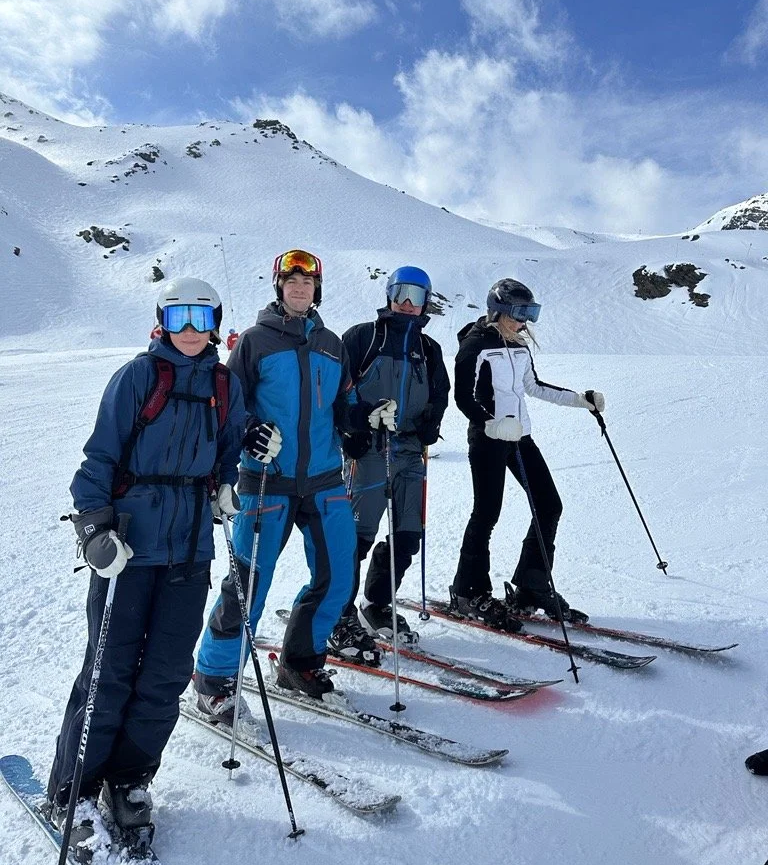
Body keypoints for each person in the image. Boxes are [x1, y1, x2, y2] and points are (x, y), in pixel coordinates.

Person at [47, 278, 245, 863]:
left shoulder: (223, 385)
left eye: (202, 317)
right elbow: (98, 460)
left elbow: (228, 452)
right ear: (162, 320)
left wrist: (226, 485)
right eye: (180, 316)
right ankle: (74, 790)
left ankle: (130, 779)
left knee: (164, 675)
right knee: (108, 671)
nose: (191, 329)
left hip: (190, 551)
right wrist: (94, 530)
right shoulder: (138, 377)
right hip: (128, 549)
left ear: (215, 324)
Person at [194, 249, 368, 707]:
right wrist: (250, 431)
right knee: (247, 584)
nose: (299, 288)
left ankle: (301, 662)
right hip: (267, 482)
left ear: (316, 290)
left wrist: (361, 423)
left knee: (338, 577)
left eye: (307, 283)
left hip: (325, 481)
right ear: (279, 287)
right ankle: (213, 678)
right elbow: (229, 406)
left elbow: (344, 403)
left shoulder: (332, 344)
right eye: (291, 281)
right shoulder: (254, 342)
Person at [449, 277, 604, 628]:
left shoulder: (519, 345)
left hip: (520, 437)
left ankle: (532, 586)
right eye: (519, 313)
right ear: (498, 311)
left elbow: (533, 386)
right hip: (488, 438)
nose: (525, 321)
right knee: (486, 513)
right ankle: (468, 591)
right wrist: (490, 423)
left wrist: (580, 400)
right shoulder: (475, 345)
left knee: (549, 505)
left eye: (529, 313)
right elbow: (463, 397)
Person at [332, 266, 450, 657]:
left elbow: (439, 393)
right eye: (401, 293)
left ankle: (377, 604)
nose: (407, 303)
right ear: (389, 295)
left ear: (426, 302)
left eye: (417, 296)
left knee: (408, 535)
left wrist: (431, 423)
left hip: (410, 452)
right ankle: (338, 613)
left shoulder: (428, 349)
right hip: (369, 451)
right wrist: (352, 430)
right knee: (356, 538)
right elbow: (339, 390)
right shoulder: (363, 338)